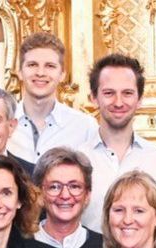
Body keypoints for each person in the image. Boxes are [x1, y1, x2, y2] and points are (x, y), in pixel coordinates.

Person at [80, 53, 156, 230]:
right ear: (93, 98)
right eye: (109, 93)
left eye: (127, 93)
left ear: (139, 99)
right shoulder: (77, 159)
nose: (118, 102)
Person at [8, 32, 98, 164]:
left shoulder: (85, 127)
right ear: (20, 72)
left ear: (62, 74)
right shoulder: (1, 124)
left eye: (50, 66)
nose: (40, 73)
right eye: (32, 65)